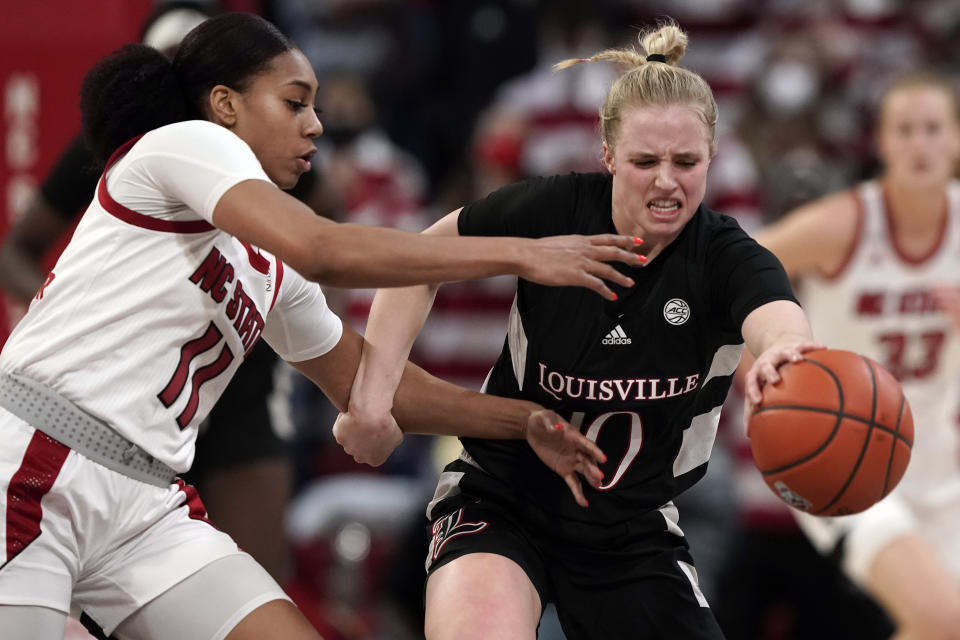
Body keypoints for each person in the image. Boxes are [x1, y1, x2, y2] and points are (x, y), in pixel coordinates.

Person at [0, 12, 647, 640]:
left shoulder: (272, 266)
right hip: (37, 458)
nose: (315, 125)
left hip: (144, 504)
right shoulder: (184, 143)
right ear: (225, 104)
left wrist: (523, 422)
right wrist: (521, 250)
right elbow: (325, 248)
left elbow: (371, 383)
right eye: (294, 102)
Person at [336, 20, 822, 640]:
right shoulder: (553, 210)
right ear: (608, 155)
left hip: (632, 528)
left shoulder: (726, 256)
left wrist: (786, 351)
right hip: (502, 498)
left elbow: (775, 316)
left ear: (714, 158)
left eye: (686, 161)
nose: (666, 180)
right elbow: (414, 264)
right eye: (645, 160)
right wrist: (375, 398)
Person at [0, 1, 301, 587]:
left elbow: (325, 241)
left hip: (237, 383)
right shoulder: (139, 148)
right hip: (131, 393)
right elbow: (18, 246)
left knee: (259, 579)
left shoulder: (282, 139)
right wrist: (68, 307)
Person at [752, 71, 960, 639]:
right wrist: (760, 359)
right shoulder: (843, 224)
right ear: (883, 143)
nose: (920, 143)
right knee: (943, 621)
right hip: (846, 451)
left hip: (943, 464)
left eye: (933, 129)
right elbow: (734, 271)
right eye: (905, 130)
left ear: (957, 139)